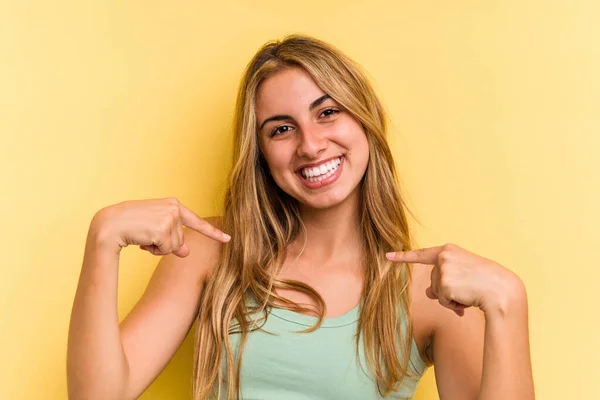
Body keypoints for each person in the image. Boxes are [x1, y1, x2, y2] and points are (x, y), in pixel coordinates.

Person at [67, 34, 535, 400]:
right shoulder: (208, 251)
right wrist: (103, 239)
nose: (310, 145)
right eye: (282, 129)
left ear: (365, 122)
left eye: (327, 112)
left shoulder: (429, 292)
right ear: (261, 155)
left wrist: (508, 304)